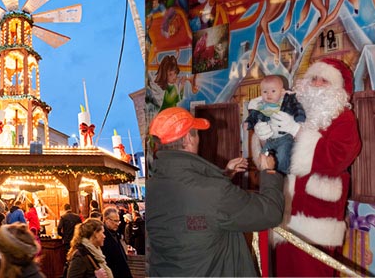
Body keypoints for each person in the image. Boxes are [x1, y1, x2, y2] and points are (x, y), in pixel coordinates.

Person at [146, 106, 284, 276]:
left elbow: (192, 212)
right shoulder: (213, 191)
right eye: (197, 134)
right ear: (189, 138)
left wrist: (225, 175)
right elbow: (270, 213)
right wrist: (268, 172)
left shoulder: (153, 186)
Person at [272, 58, 362, 277]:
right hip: (287, 211)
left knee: (312, 271)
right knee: (285, 269)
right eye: (314, 78)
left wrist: (299, 134)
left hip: (318, 215)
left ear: (338, 90)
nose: (318, 84)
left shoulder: (344, 118)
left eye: (325, 80)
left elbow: (337, 158)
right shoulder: (295, 113)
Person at [245, 75, 306, 174]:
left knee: (282, 155)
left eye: (273, 91)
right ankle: (266, 176)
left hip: (285, 137)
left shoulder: (288, 101)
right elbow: (254, 115)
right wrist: (249, 123)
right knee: (263, 156)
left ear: (281, 92)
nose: (269, 94)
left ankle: (282, 175)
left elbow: (297, 108)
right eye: (265, 92)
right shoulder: (261, 105)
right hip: (270, 138)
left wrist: (299, 118)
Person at [101, 207, 133, 278]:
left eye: (118, 221)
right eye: (115, 221)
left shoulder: (115, 233)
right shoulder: (102, 236)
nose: (117, 224)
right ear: (106, 220)